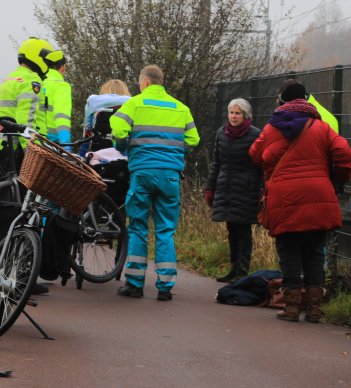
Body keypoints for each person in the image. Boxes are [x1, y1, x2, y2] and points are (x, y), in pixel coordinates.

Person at [249, 83, 351, 323]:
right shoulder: (322, 127)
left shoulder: (271, 128)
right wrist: (339, 177)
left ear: (281, 101)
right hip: (318, 196)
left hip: (284, 198)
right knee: (315, 253)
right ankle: (315, 309)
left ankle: (292, 308)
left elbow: (255, 155)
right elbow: (345, 154)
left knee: (289, 252)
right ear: (306, 99)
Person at [110, 65, 199, 301]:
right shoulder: (181, 108)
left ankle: (135, 285)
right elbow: (193, 139)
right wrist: (176, 156)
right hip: (170, 175)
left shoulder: (135, 103)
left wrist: (123, 147)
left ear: (146, 82)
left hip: (142, 172)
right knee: (165, 230)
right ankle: (165, 288)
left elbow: (118, 129)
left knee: (138, 226)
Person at [0, 37, 59, 296]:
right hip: (15, 151)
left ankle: (2, 276)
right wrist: (38, 154)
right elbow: (27, 124)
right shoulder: (32, 82)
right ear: (36, 57)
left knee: (7, 212)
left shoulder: (10, 78)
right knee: (20, 215)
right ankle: (11, 279)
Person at [205, 98, 263, 284]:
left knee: (243, 230)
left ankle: (242, 270)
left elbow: (261, 166)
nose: (234, 116)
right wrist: (210, 187)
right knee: (231, 229)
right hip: (226, 187)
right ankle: (233, 269)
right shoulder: (221, 133)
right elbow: (217, 163)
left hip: (247, 189)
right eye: (231, 112)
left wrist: (263, 190)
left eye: (238, 113)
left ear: (245, 115)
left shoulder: (256, 135)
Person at [80, 80, 132, 156]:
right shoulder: (131, 106)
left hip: (97, 153)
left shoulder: (94, 105)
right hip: (126, 153)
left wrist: (82, 157)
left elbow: (86, 135)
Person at [43, 48, 72, 150]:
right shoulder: (61, 86)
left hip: (34, 141)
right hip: (53, 145)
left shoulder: (37, 83)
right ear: (63, 67)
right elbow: (62, 116)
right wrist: (66, 146)